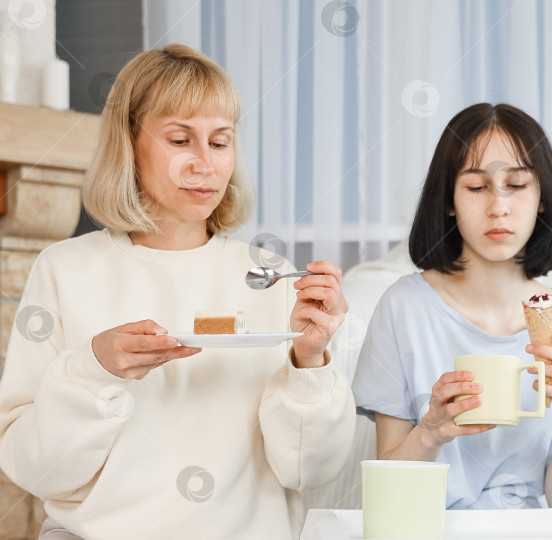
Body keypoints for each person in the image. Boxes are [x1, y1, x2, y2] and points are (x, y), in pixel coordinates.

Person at [0, 45, 354, 540]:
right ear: (129, 145)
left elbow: (309, 472)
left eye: (220, 141)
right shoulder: (64, 270)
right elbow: (35, 473)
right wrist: (92, 370)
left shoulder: (270, 277)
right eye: (180, 139)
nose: (204, 164)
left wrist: (309, 362)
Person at [351, 103, 552, 510]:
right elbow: (387, 496)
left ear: (542, 198)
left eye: (517, 185)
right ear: (449, 201)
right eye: (476, 188)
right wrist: (431, 431)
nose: (498, 206)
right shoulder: (402, 310)